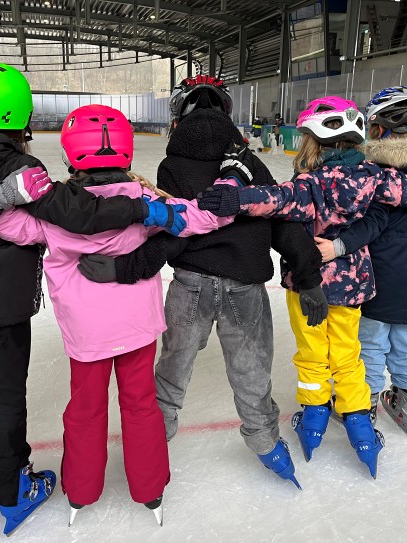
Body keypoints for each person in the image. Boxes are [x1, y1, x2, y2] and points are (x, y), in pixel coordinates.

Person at [0, 62, 188, 536]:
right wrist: (145, 208)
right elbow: (76, 214)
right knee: (21, 399)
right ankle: (22, 489)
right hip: (13, 304)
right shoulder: (21, 168)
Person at [0, 104, 237, 526]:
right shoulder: (147, 201)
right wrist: (233, 182)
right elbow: (205, 216)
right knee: (141, 405)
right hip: (137, 328)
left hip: (87, 335)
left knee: (86, 409)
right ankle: (150, 488)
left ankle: (82, 490)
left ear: (70, 154)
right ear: (126, 152)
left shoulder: (53, 212)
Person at [78, 76, 326, 490]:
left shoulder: (173, 166)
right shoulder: (247, 162)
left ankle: (150, 449)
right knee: (251, 373)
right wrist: (309, 275)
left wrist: (125, 268)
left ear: (178, 118)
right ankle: (268, 446)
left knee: (171, 372)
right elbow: (280, 220)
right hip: (245, 288)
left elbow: (175, 231)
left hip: (191, 284)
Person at [197, 96, 407, 478]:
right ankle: (362, 431)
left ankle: (314, 418)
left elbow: (276, 199)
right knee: (349, 356)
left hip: (308, 286)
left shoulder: (309, 183)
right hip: (352, 285)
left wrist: (236, 198)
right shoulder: (373, 176)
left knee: (312, 355)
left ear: (311, 141)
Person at [314, 87, 407, 436]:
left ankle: (363, 403)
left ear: (379, 128)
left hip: (382, 269)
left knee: (372, 339)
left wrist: (339, 245)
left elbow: (372, 223)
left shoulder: (378, 170)